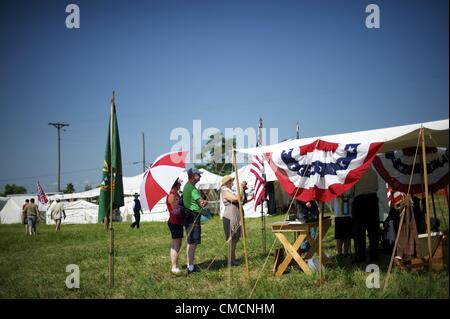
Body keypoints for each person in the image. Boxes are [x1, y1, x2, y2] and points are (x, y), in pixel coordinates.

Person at [351, 167, 380, 262]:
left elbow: (351, 191)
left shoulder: (356, 173)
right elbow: (376, 187)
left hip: (360, 201)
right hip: (372, 200)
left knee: (359, 232)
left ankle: (361, 256)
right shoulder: (373, 172)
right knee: (373, 231)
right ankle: (375, 255)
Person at [182, 168, 208, 273]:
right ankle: (191, 267)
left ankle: (190, 264)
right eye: (198, 175)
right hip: (193, 216)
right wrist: (205, 202)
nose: (200, 176)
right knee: (193, 242)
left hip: (189, 216)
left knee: (190, 241)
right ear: (193, 176)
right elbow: (201, 203)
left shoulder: (187, 186)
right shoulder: (192, 188)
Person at [220, 175, 246, 266]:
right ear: (227, 182)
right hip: (230, 217)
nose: (232, 182)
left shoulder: (230, 191)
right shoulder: (225, 191)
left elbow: (241, 199)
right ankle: (231, 260)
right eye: (231, 180)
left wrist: (243, 190)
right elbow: (236, 199)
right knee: (232, 238)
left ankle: (233, 258)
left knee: (235, 238)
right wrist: (241, 188)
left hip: (235, 216)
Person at [166, 178, 185, 275]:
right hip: (174, 222)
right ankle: (174, 266)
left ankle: (175, 264)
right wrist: (184, 207)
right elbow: (176, 210)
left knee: (177, 244)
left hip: (177, 222)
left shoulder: (176, 194)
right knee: (175, 245)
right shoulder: (171, 195)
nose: (180, 185)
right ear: (175, 185)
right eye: (179, 184)